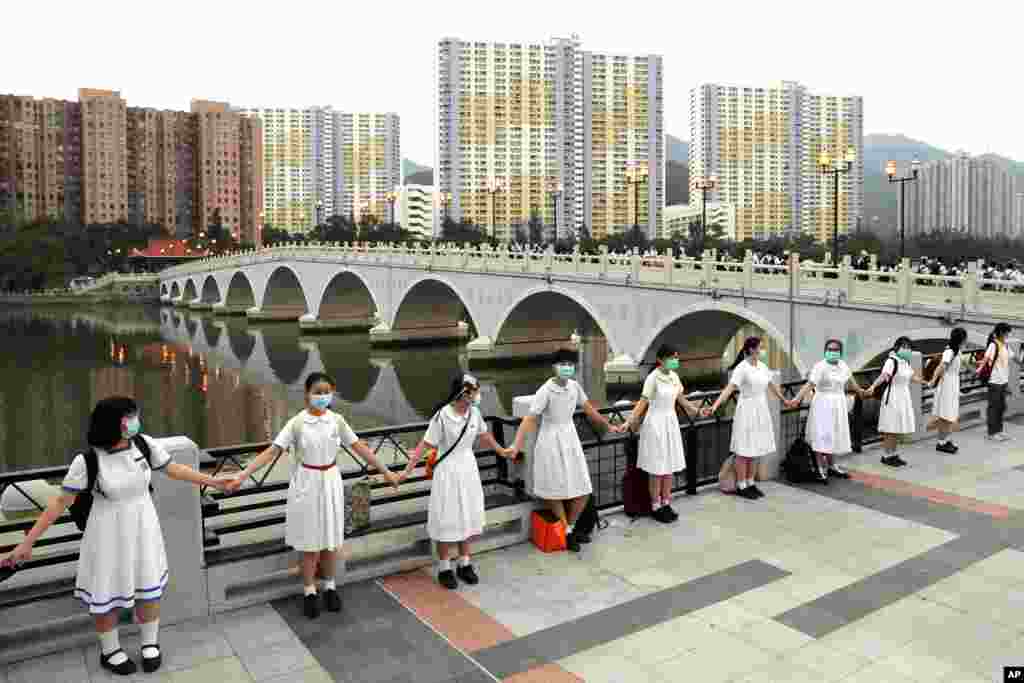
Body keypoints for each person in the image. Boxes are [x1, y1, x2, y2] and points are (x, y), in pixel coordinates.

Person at [2, 397, 229, 676]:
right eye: (130, 416)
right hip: (107, 532)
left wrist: (213, 481)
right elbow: (60, 502)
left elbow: (174, 469)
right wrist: (27, 543)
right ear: (115, 424)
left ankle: (150, 643)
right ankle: (110, 650)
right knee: (106, 590)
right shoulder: (87, 461)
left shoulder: (143, 445)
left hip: (143, 526)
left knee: (149, 585)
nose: (136, 420)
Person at [227, 372, 400, 619]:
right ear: (307, 394)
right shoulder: (297, 423)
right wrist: (243, 475)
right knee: (310, 543)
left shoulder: (337, 421)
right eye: (317, 392)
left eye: (326, 391)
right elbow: (272, 451)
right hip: (306, 483)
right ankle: (309, 590)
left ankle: (330, 586)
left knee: (330, 541)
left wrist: (386, 472)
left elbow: (360, 447)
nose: (322, 396)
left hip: (330, 481)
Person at [400, 374, 516, 589]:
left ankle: (465, 563)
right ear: (464, 392)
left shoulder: (475, 413)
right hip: (447, 471)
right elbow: (425, 445)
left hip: (468, 469)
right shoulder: (442, 416)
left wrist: (502, 450)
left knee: (468, 514)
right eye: (475, 390)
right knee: (447, 516)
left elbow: (484, 435)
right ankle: (444, 567)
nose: (478, 395)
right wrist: (406, 471)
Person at [508, 350, 620, 551]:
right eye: (563, 364)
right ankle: (567, 532)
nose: (567, 367)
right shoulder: (546, 390)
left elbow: (590, 410)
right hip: (549, 441)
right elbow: (530, 418)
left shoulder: (574, 387)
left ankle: (570, 526)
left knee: (583, 488)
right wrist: (517, 444)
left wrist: (608, 425)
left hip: (570, 440)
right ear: (554, 366)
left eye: (570, 364)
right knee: (553, 490)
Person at [621, 345, 702, 522]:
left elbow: (680, 399)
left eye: (676, 357)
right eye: (672, 358)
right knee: (657, 469)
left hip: (670, 423)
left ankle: (666, 502)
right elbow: (643, 402)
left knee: (669, 468)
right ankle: (655, 506)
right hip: (655, 424)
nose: (676, 361)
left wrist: (695, 410)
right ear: (661, 360)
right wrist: (629, 421)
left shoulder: (674, 377)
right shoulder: (652, 378)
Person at [704, 337, 785, 499]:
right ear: (751, 349)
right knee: (743, 450)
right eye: (760, 348)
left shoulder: (762, 366)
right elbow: (729, 388)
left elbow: (771, 385)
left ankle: (751, 482)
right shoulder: (742, 368)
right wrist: (715, 406)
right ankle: (741, 485)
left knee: (755, 449)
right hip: (746, 409)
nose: (763, 351)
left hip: (761, 408)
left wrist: (784, 400)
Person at [788, 340, 869, 481]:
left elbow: (852, 382)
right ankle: (820, 467)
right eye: (830, 349)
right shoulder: (820, 367)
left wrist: (862, 391)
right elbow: (810, 384)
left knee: (835, 434)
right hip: (822, 404)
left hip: (838, 404)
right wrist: (796, 399)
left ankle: (832, 465)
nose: (833, 352)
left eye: (836, 349)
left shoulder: (843, 365)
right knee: (822, 434)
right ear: (825, 351)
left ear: (840, 352)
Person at [865, 337, 925, 467]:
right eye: (904, 347)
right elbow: (884, 376)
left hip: (903, 396)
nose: (907, 349)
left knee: (897, 427)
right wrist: (872, 387)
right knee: (890, 427)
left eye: (909, 347)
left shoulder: (905, 362)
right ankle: (887, 455)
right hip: (893, 396)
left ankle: (893, 454)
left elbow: (911, 376)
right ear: (897, 347)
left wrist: (925, 381)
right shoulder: (891, 361)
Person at [930, 327, 967, 453]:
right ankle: (941, 442)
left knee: (949, 413)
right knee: (945, 415)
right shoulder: (950, 351)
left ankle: (946, 439)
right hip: (947, 385)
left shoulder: (957, 351)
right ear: (961, 339)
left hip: (952, 384)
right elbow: (942, 366)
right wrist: (933, 380)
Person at [982, 322, 1014, 441]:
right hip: (994, 381)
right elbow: (986, 360)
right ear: (1001, 332)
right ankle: (991, 433)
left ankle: (999, 431)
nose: (1008, 335)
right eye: (1007, 333)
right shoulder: (993, 345)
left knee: (1001, 407)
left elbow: (1013, 356)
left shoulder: (1004, 345)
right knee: (994, 407)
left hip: (1003, 381)